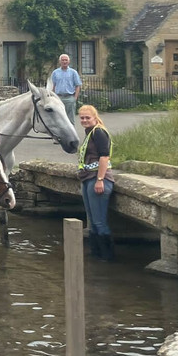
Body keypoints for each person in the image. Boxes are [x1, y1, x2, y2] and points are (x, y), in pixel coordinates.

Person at [77, 104, 115, 260]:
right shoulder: (90, 132)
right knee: (92, 221)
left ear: (94, 117)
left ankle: (107, 257)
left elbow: (104, 157)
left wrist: (100, 180)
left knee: (99, 222)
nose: (84, 120)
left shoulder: (98, 132)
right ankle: (96, 255)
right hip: (87, 178)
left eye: (87, 117)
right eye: (82, 118)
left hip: (98, 179)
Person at [49, 53, 82, 126]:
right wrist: (52, 96)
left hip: (69, 98)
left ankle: (71, 136)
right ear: (60, 61)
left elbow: (78, 85)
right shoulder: (55, 72)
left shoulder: (73, 72)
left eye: (66, 60)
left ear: (69, 61)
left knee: (70, 119)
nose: (64, 62)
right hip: (58, 97)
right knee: (58, 117)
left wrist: (75, 97)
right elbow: (53, 85)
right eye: (63, 60)